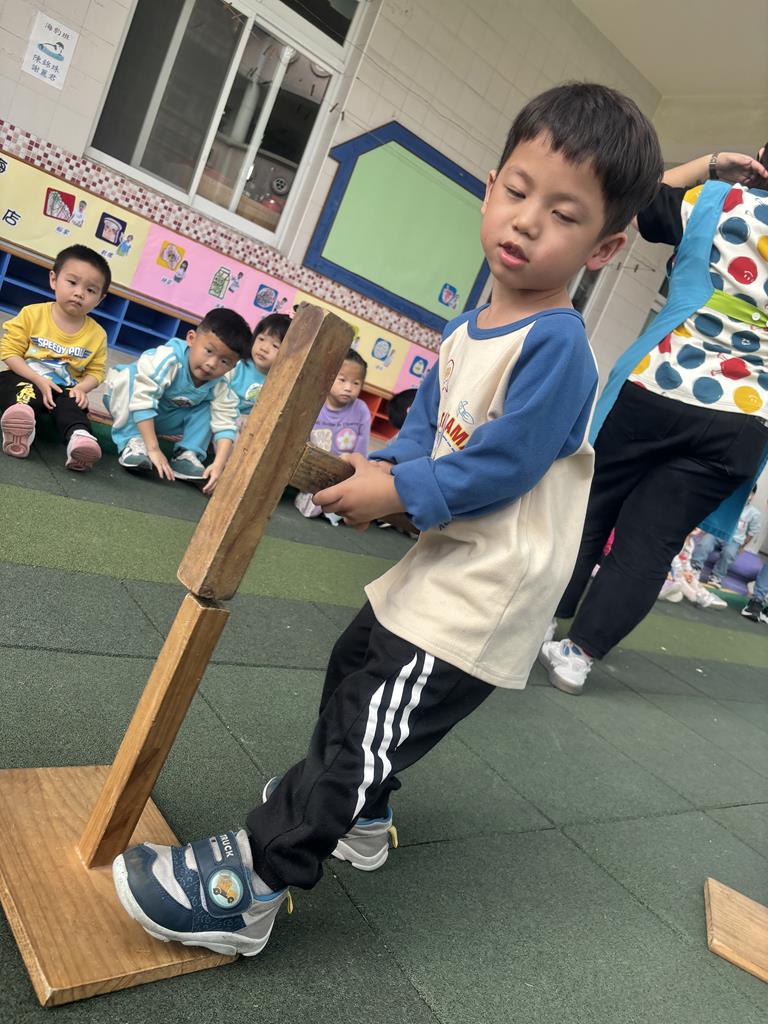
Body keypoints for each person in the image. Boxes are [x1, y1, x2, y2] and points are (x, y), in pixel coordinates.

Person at [111, 83, 663, 957]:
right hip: (446, 559)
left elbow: (506, 463)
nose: (527, 222)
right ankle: (361, 813)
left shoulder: (557, 345)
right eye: (518, 191)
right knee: (353, 670)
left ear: (603, 248)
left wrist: (399, 495)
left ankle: (251, 886)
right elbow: (420, 432)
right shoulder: (468, 328)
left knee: (362, 730)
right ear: (490, 189)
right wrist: (382, 473)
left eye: (563, 215)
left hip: (487, 585)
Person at [540, 147, 768, 695]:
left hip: (659, 384)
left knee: (590, 509)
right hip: (744, 417)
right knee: (652, 543)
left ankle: (540, 620)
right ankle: (578, 656)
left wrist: (713, 163)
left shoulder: (717, 200)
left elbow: (647, 196)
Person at [104, 308, 251, 494]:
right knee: (130, 376)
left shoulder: (220, 383)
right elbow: (143, 398)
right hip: (125, 402)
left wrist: (218, 465)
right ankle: (131, 440)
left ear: (233, 366)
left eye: (224, 361)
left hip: (163, 415)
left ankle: (186, 454)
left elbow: (225, 423)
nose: (212, 364)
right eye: (208, 351)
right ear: (191, 339)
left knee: (212, 405)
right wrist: (153, 449)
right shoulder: (169, 358)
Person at [0, 244, 110, 472]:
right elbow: (9, 352)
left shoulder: (97, 334)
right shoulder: (32, 314)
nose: (79, 293)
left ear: (100, 299)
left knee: (73, 403)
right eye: (72, 282)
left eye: (91, 290)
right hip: (26, 377)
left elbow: (96, 371)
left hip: (63, 388)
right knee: (18, 388)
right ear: (54, 279)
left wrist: (81, 388)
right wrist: (38, 379)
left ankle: (79, 438)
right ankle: (21, 425)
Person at [294, 348, 371, 520]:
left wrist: (357, 472)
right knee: (317, 502)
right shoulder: (315, 402)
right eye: (342, 380)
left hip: (344, 472)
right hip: (313, 468)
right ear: (329, 377)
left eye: (356, 383)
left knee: (357, 503)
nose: (348, 388)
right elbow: (302, 440)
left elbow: (361, 450)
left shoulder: (361, 410)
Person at [690, 487, 762, 588]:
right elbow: (714, 517)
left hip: (734, 539)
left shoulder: (754, 513)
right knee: (704, 544)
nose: (747, 495)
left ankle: (716, 577)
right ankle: (694, 568)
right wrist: (706, 531)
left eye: (750, 493)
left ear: (752, 496)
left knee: (728, 553)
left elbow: (751, 533)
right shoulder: (728, 503)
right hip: (717, 533)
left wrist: (743, 546)